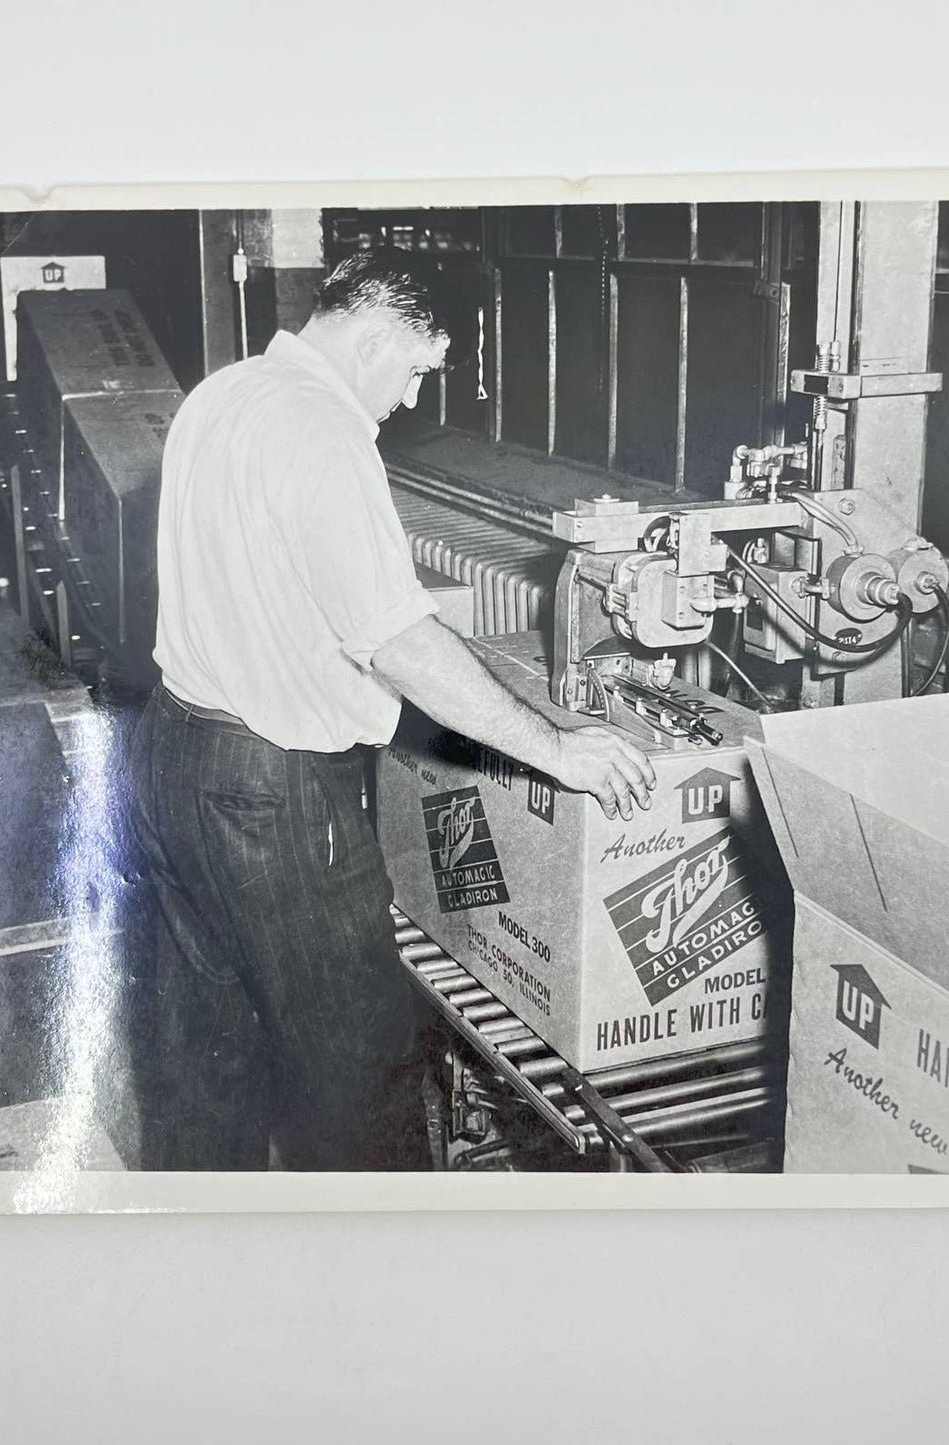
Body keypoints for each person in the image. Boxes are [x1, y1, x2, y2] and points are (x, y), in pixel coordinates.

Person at [129, 248, 656, 1171]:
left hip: (174, 758)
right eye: (415, 369)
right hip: (273, 795)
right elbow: (398, 641)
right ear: (373, 336)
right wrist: (554, 748)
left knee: (208, 1057)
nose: (412, 398)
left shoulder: (221, 393)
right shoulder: (323, 429)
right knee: (356, 1066)